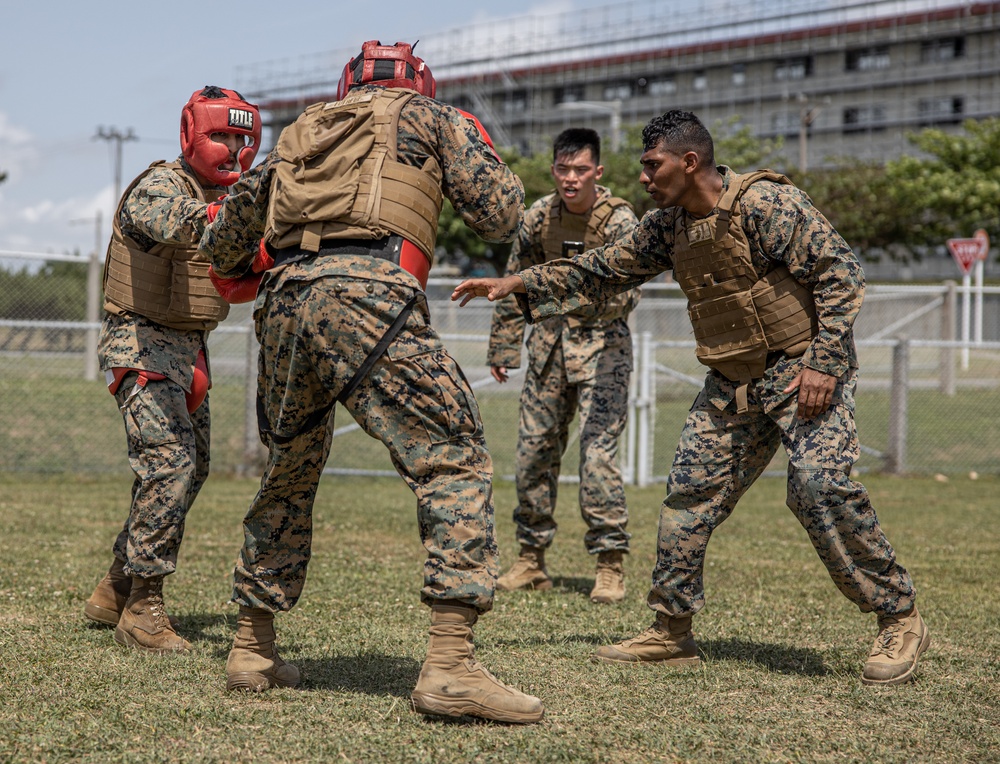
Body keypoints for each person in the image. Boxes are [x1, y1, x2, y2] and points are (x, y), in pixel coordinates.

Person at [452, 109, 929, 686]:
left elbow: (842, 275)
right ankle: (671, 629)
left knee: (819, 486)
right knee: (688, 498)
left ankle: (898, 615)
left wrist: (826, 362)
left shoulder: (765, 206)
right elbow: (603, 268)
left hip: (801, 375)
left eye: (653, 165)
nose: (645, 178)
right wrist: (517, 284)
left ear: (690, 161)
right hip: (730, 384)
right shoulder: (666, 226)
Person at [198, 41, 544, 723]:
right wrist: (474, 139)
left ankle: (251, 645)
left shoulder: (302, 131)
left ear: (347, 85)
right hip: (370, 291)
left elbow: (224, 246)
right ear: (420, 83)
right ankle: (450, 666)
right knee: (453, 457)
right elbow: (502, 215)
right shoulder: (432, 118)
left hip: (286, 302)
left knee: (289, 470)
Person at [84, 86, 262, 654]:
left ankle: (116, 584)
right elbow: (182, 223)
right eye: (221, 137)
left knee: (195, 466)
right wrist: (252, 217)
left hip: (189, 349)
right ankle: (143, 607)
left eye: (242, 139)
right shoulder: (163, 186)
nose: (233, 150)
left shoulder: (228, 196)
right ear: (190, 134)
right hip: (139, 341)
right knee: (170, 465)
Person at [487, 128, 639, 603]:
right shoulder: (538, 217)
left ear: (598, 171)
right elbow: (515, 281)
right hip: (548, 351)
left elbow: (626, 292)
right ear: (553, 170)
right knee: (532, 456)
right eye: (562, 169)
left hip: (603, 351)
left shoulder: (620, 221)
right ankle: (531, 560)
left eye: (580, 170)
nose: (570, 179)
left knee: (597, 457)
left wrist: (553, 294)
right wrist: (505, 346)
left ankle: (609, 565)